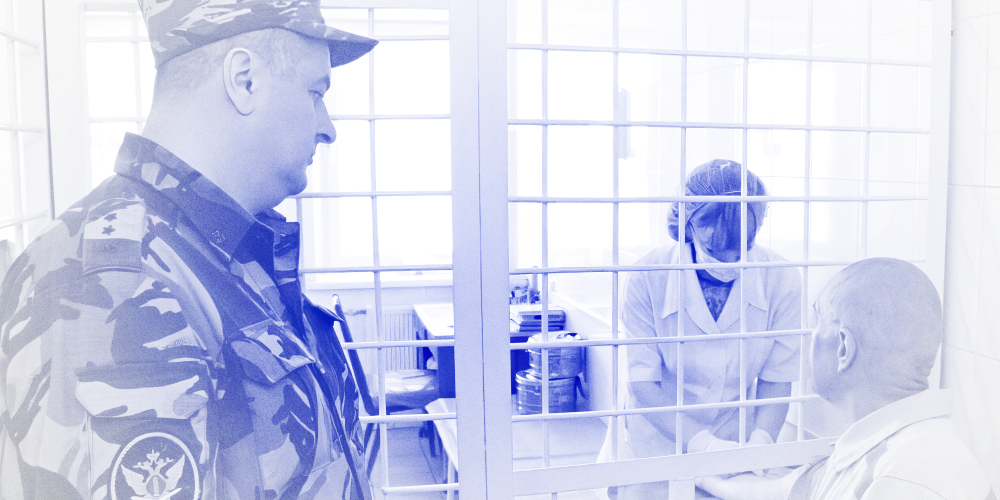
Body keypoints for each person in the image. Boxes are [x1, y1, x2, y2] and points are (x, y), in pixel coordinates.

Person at [0, 2, 378, 499]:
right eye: (316, 93)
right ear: (244, 80)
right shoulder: (110, 284)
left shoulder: (221, 250)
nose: (328, 128)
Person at [697, 258, 996, 500]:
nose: (809, 337)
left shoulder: (907, 477)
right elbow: (787, 491)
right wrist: (703, 475)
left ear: (843, 347)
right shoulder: (883, 446)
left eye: (817, 321)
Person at [599, 159, 801, 497]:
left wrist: (761, 443)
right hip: (654, 444)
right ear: (688, 227)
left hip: (733, 444)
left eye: (742, 248)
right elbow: (642, 382)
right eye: (713, 249)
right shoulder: (647, 277)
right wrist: (703, 445)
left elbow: (777, 377)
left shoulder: (781, 278)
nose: (729, 261)